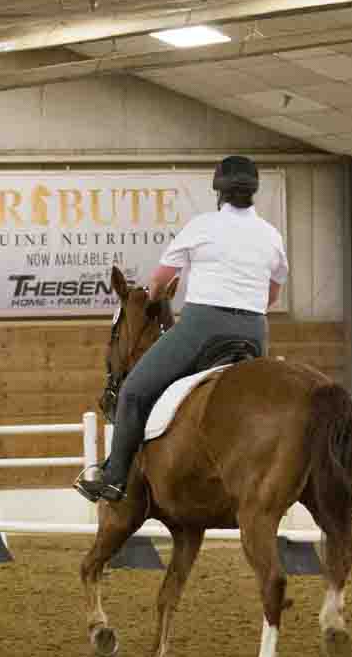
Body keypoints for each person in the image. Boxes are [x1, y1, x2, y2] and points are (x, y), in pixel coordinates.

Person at [75, 155, 288, 503]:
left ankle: (114, 478)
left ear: (218, 191)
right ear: (254, 192)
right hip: (254, 331)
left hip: (203, 328)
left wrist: (152, 297)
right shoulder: (271, 235)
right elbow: (273, 295)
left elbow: (159, 283)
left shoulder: (202, 226)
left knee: (133, 391)